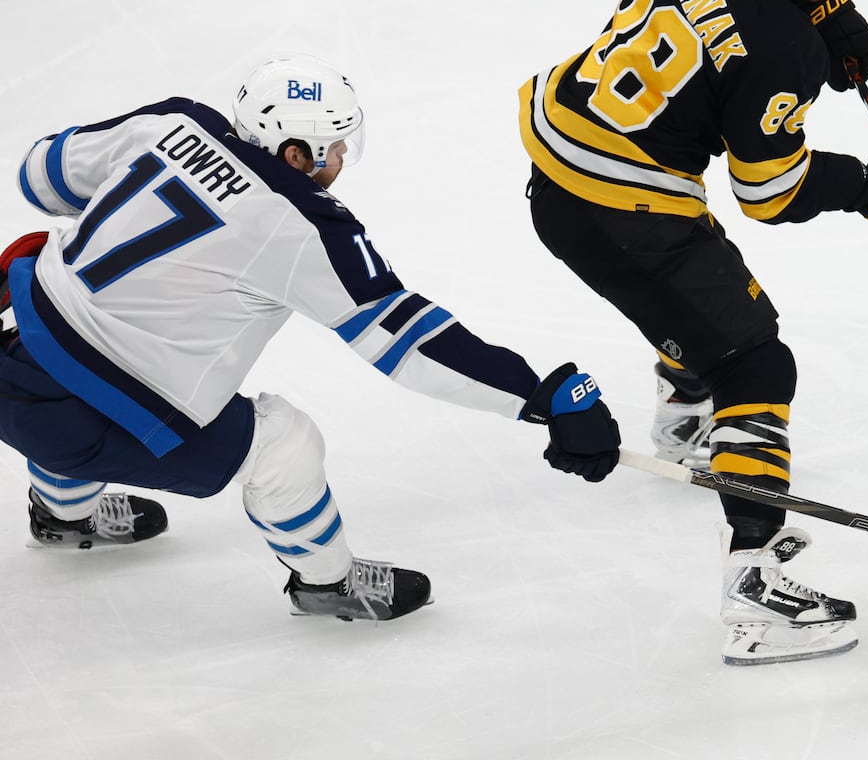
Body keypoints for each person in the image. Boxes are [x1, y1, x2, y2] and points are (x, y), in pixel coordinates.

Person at [518, 0, 868, 664]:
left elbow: (733, 6)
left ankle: (686, 412)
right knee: (756, 361)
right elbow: (771, 192)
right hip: (619, 206)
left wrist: (825, 8)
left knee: (704, 290)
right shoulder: (775, 54)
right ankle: (754, 586)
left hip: (569, 149)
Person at [0, 54, 622, 622]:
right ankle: (329, 584)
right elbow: (408, 341)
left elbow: (39, 176)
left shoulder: (172, 122)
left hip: (11, 342)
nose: (343, 156)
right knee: (282, 445)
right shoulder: (304, 224)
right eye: (334, 146)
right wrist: (539, 397)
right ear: (295, 153)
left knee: (68, 356)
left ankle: (62, 513)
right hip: (75, 420)